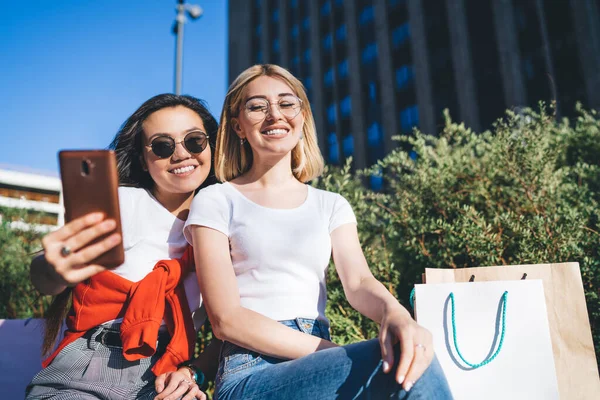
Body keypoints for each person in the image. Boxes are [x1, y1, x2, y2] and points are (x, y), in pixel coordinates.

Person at [183, 64, 453, 399]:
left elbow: (358, 283)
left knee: (412, 350)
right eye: (257, 106)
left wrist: (395, 314)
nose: (274, 115)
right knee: (401, 361)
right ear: (238, 126)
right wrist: (333, 352)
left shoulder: (331, 204)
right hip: (250, 370)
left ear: (302, 118)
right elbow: (226, 319)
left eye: (286, 103)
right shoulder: (217, 199)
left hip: (319, 359)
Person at [26, 94, 220, 400]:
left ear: (212, 147)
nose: (182, 154)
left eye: (195, 141)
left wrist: (193, 373)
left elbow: (231, 331)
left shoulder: (224, 224)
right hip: (93, 364)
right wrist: (53, 267)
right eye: (162, 146)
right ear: (143, 159)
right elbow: (44, 274)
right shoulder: (120, 203)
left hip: (168, 377)